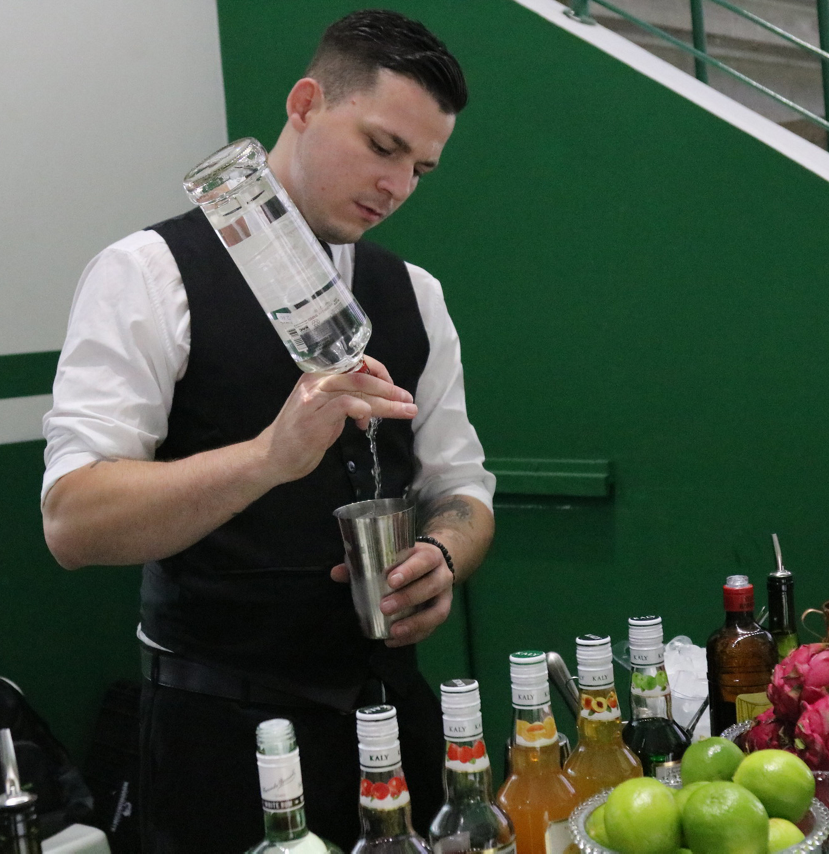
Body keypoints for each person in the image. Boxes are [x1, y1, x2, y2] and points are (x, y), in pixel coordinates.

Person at [41, 10, 494, 852]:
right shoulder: (148, 274)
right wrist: (267, 458)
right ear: (305, 103)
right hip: (219, 741)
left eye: (421, 168)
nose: (397, 185)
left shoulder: (417, 295)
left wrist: (443, 556)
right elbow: (73, 522)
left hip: (393, 724)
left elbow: (460, 485)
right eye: (383, 146)